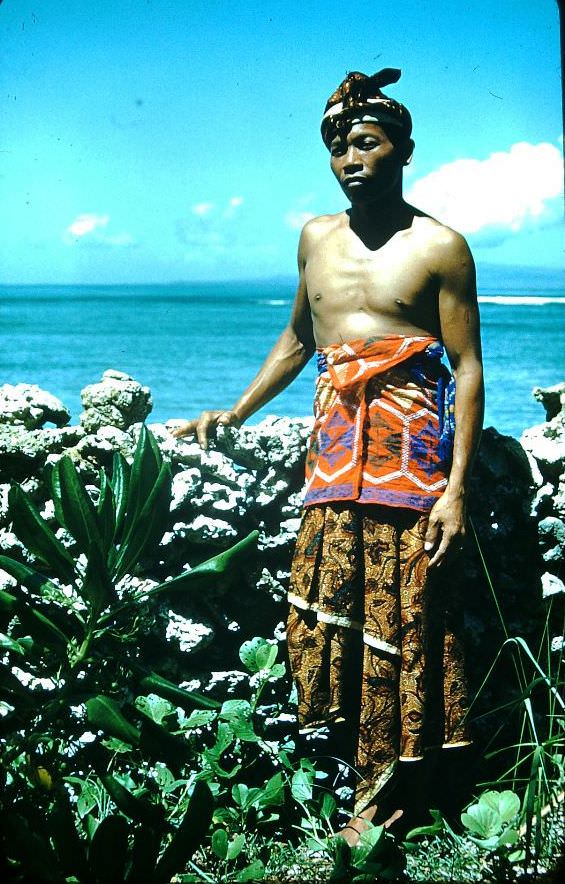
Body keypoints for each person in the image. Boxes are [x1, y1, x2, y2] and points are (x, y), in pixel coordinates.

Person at [170, 68, 484, 842]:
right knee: (337, 621)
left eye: (367, 144)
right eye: (338, 147)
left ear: (402, 151)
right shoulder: (314, 237)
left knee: (409, 622)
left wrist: (456, 492)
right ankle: (354, 782)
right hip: (332, 464)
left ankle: (395, 800)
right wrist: (233, 412)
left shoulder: (440, 246)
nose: (350, 159)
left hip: (410, 468)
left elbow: (468, 368)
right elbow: (299, 339)